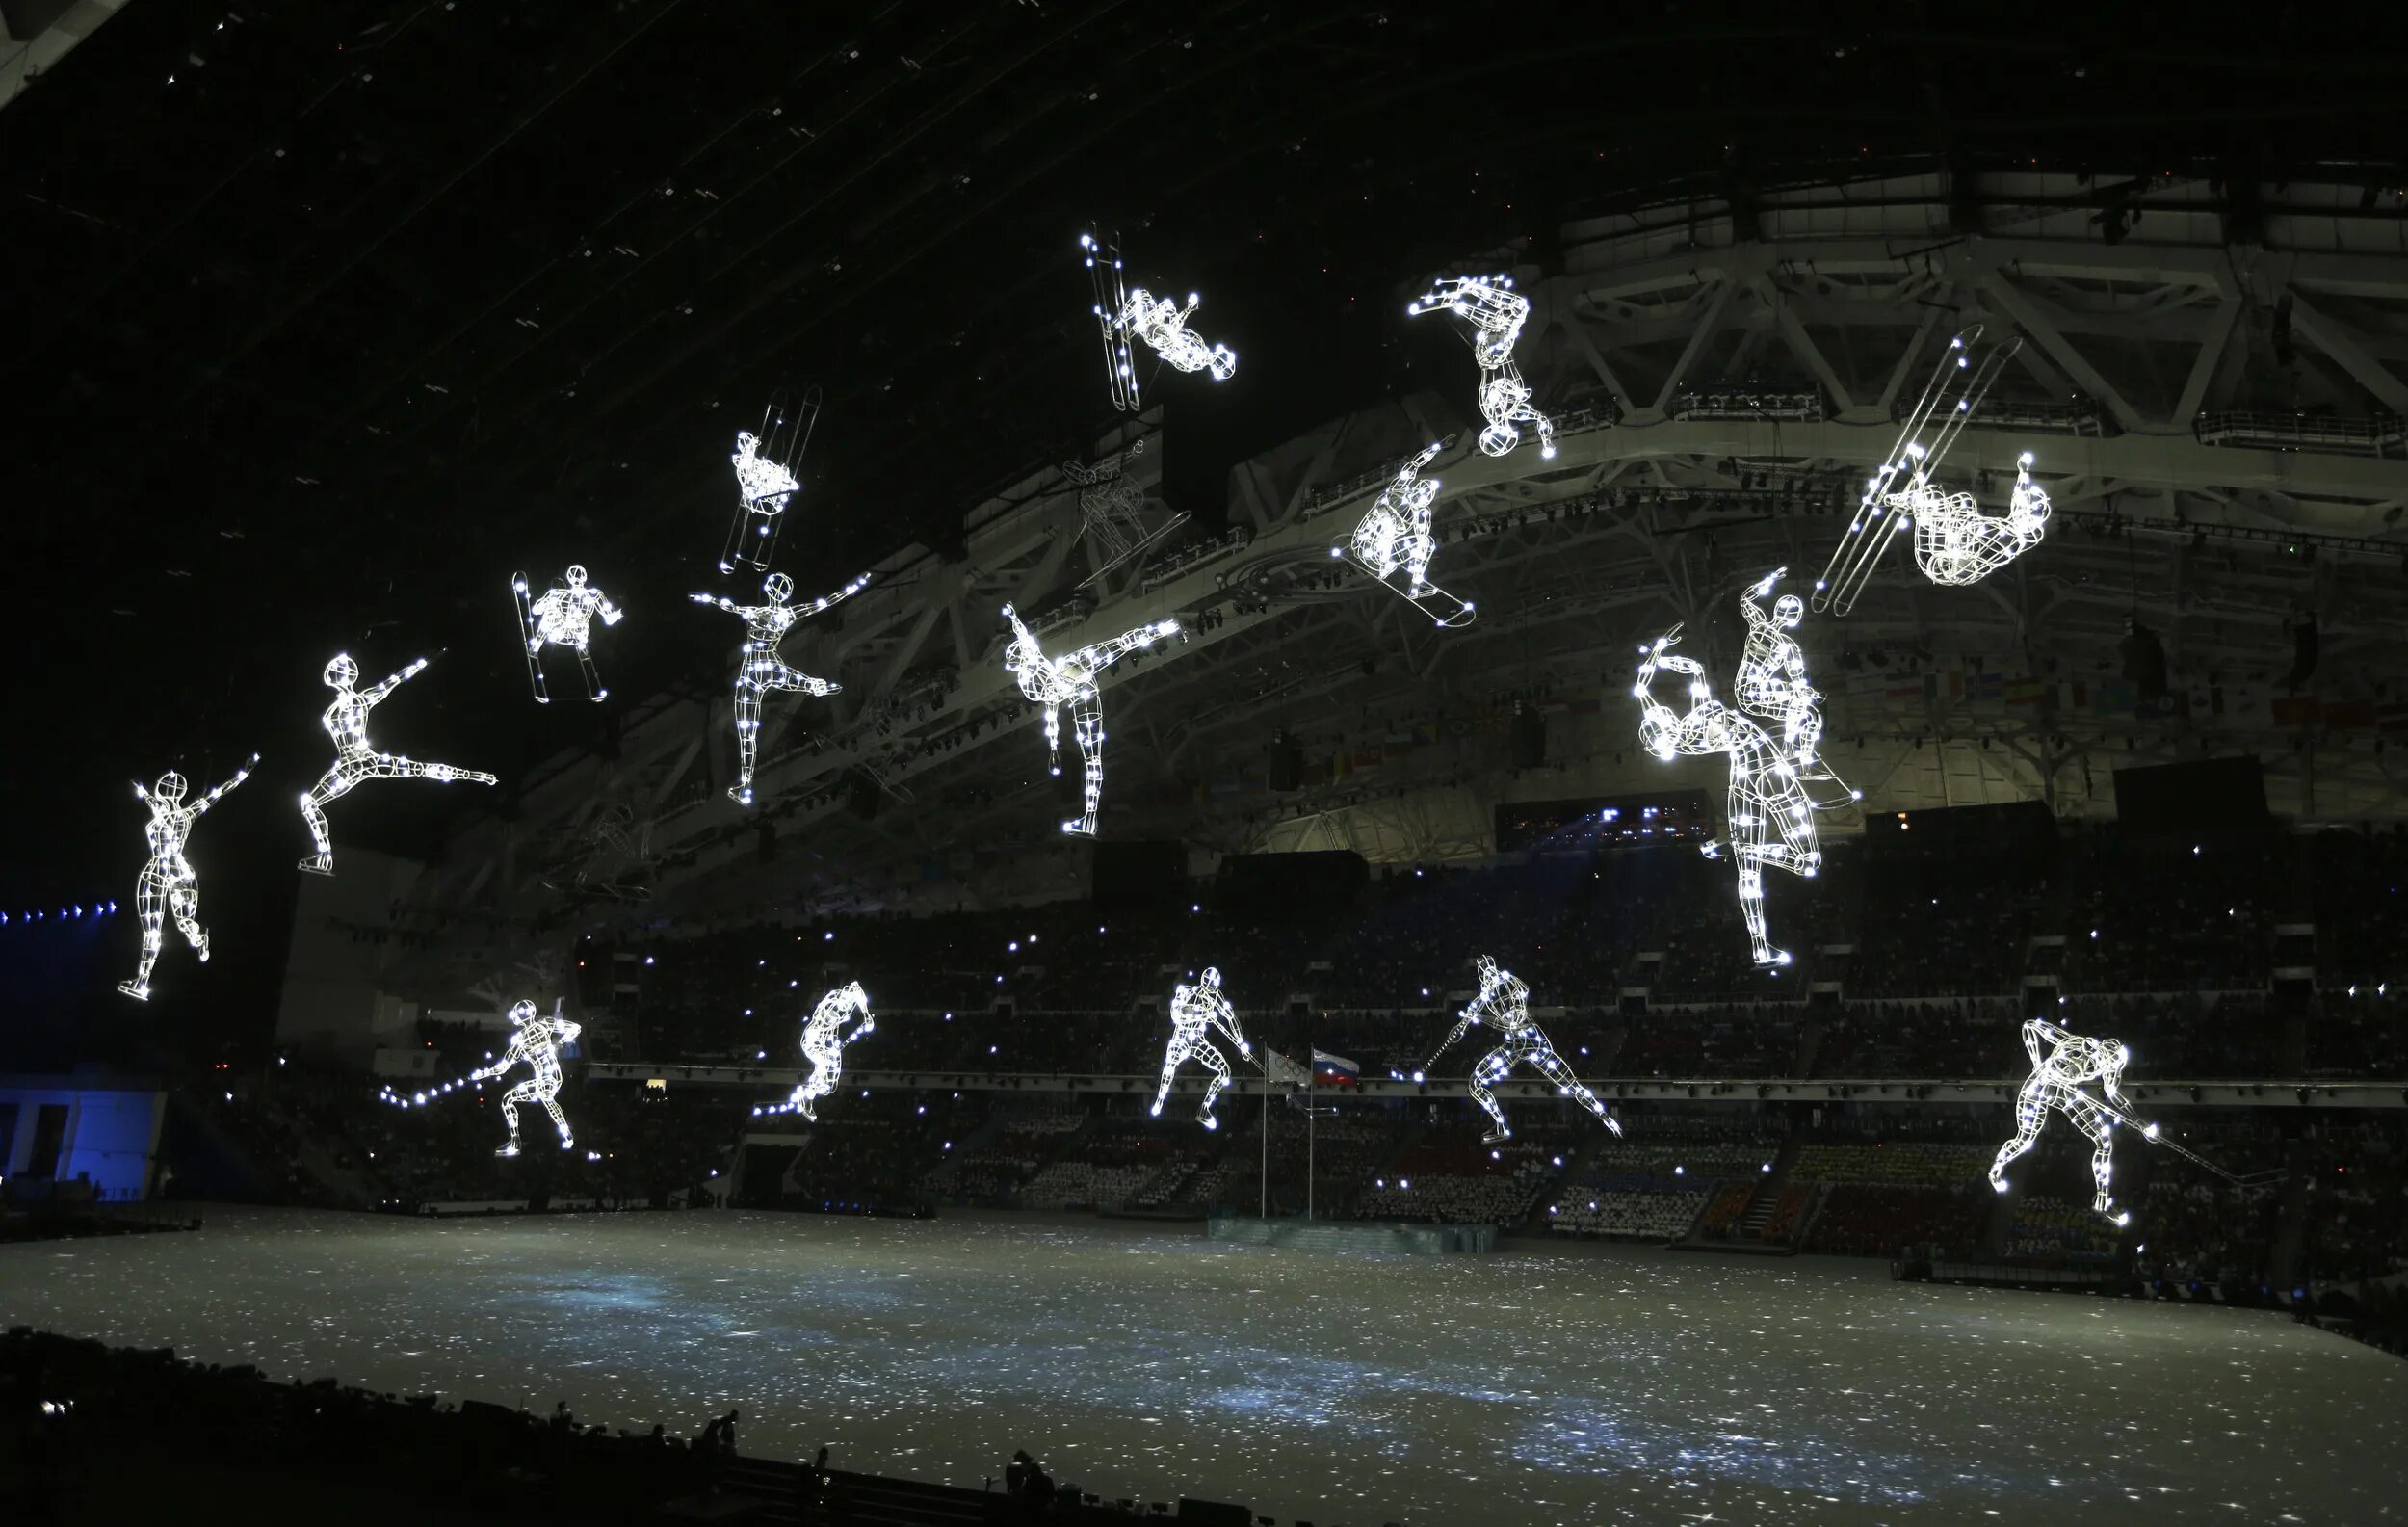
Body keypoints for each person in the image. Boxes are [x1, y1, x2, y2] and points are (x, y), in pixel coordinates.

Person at [1635, 626, 1826, 967]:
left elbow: (1647, 691)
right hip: (1766, 770)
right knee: (1807, 863)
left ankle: (1760, 947)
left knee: (1753, 870)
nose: (1662, 712)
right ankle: (1741, 858)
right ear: (1664, 733)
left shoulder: (1685, 730)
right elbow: (1670, 680)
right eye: (1661, 719)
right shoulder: (1690, 730)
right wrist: (1659, 655)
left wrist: (1659, 656)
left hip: (1742, 781)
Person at [298, 653, 496, 874]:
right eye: (340, 671)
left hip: (360, 760)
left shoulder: (356, 703)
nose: (342, 674)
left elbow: (394, 681)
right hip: (351, 763)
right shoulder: (335, 711)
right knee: (309, 803)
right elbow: (394, 681)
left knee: (418, 769)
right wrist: (419, 665)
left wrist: (420, 665)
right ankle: (325, 854)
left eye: (342, 670)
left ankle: (475, 776)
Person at [691, 571, 871, 807]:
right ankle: (814, 685)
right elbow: (827, 602)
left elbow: (726, 606)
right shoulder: (788, 614)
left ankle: (746, 785)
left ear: (769, 591)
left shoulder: (755, 613)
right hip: (770, 666)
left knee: (748, 735)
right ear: (785, 594)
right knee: (776, 697)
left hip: (753, 669)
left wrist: (703, 598)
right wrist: (858, 584)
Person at [999, 604, 1180, 835]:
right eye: (1018, 661)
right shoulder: (1029, 683)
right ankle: (1089, 820)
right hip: (1077, 693)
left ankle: (1165, 628)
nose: (1021, 661)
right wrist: (1053, 745)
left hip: (1076, 670)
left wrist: (1014, 616)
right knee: (1092, 758)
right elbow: (1050, 707)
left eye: (1020, 657)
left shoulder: (1035, 663)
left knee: (1121, 644)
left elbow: (1024, 637)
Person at [1425, 956, 1621, 1144]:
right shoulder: (1485, 995)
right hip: (1514, 1045)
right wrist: (1461, 1027)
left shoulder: (1510, 985)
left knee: (1570, 1083)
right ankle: (1500, 1125)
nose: (1488, 977)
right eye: (1484, 974)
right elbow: (1470, 1017)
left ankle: (1604, 1116)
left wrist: (1480, 1018)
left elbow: (1513, 1021)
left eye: (1490, 973)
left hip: (1532, 1042)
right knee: (1475, 1084)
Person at [1989, 1016, 2155, 1225]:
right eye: (2106, 1060)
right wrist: (2036, 1064)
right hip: (2040, 1084)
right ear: (2100, 1050)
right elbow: (2030, 1026)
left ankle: (2102, 1201)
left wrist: (2139, 1123)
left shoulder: (2111, 1067)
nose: (2105, 1067)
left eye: (2111, 1065)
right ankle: (1996, 1170)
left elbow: (2113, 1094)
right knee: (2025, 1139)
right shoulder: (2076, 1043)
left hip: (2065, 1092)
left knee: (2104, 1140)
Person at [117, 753, 257, 1000]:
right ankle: (196, 939)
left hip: (158, 870)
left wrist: (137, 786)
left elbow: (148, 795)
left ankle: (143, 980)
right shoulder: (185, 814)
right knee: (181, 922)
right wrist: (243, 773)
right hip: (180, 871)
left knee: (152, 930)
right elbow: (216, 795)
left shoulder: (159, 810)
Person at [473, 999, 583, 1157]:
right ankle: (564, 1136)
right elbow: (575, 1028)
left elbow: (502, 1068)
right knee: (513, 1099)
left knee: (542, 1096)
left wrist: (484, 1073)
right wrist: (559, 1042)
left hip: (547, 1078)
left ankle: (564, 1137)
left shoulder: (522, 1040)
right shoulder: (543, 1025)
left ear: (518, 1016)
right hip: (551, 1077)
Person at [1149, 967, 1252, 1131]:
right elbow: (1177, 1013)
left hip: (1198, 1042)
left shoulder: (1217, 998)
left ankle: (1205, 1108)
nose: (1211, 991)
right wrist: (1202, 1013)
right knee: (1171, 1062)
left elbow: (1231, 1019)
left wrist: (1241, 1044)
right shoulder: (1186, 991)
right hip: (1182, 1038)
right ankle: (1160, 1099)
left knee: (1225, 1071)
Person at [514, 564, 624, 703]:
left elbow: (609, 617)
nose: (578, 581)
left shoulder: (592, 594)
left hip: (577, 633)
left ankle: (537, 647)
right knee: (551, 614)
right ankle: (536, 646)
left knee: (561, 617)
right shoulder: (563, 594)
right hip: (561, 631)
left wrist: (616, 615)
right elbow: (536, 610)